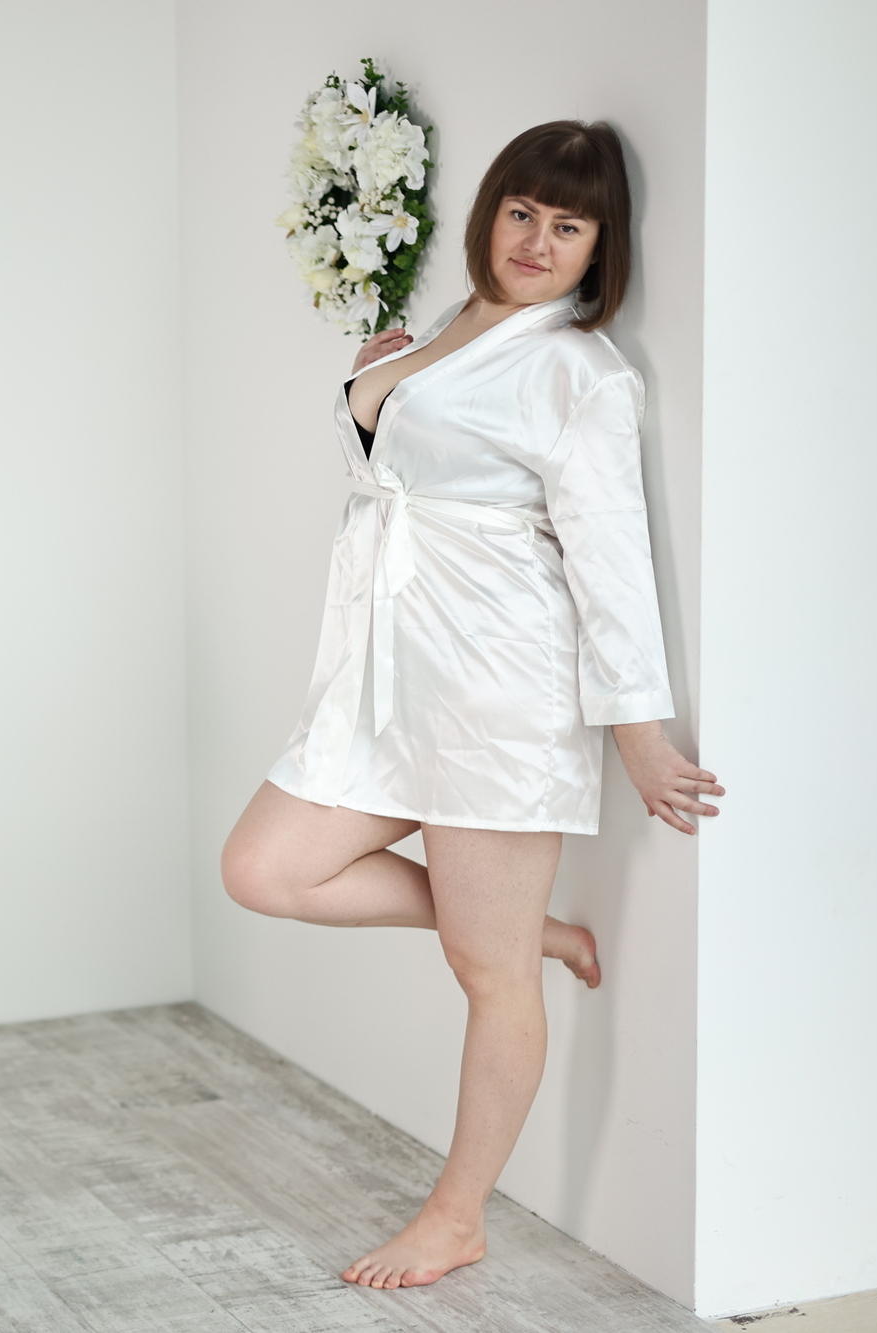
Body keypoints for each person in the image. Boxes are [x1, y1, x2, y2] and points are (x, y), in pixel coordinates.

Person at [219, 120, 726, 1291]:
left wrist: (638, 736)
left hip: (498, 690)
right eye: (520, 213)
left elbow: (609, 559)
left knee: (486, 980)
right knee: (263, 868)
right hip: (385, 674)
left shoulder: (578, 372)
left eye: (567, 226)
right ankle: (520, 923)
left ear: (599, 247)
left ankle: (455, 1215)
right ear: (489, 211)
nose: (535, 242)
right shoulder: (450, 324)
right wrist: (377, 383)